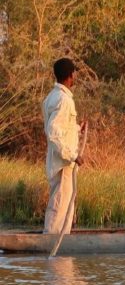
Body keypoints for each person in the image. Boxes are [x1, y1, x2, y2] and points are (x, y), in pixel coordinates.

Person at [43, 58, 87, 234]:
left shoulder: (52, 97)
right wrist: (72, 156)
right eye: (74, 73)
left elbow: (61, 128)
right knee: (60, 205)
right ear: (71, 75)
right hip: (63, 163)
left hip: (61, 161)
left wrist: (77, 129)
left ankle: (62, 241)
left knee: (65, 205)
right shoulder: (63, 99)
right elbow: (53, 132)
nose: (75, 76)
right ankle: (52, 241)